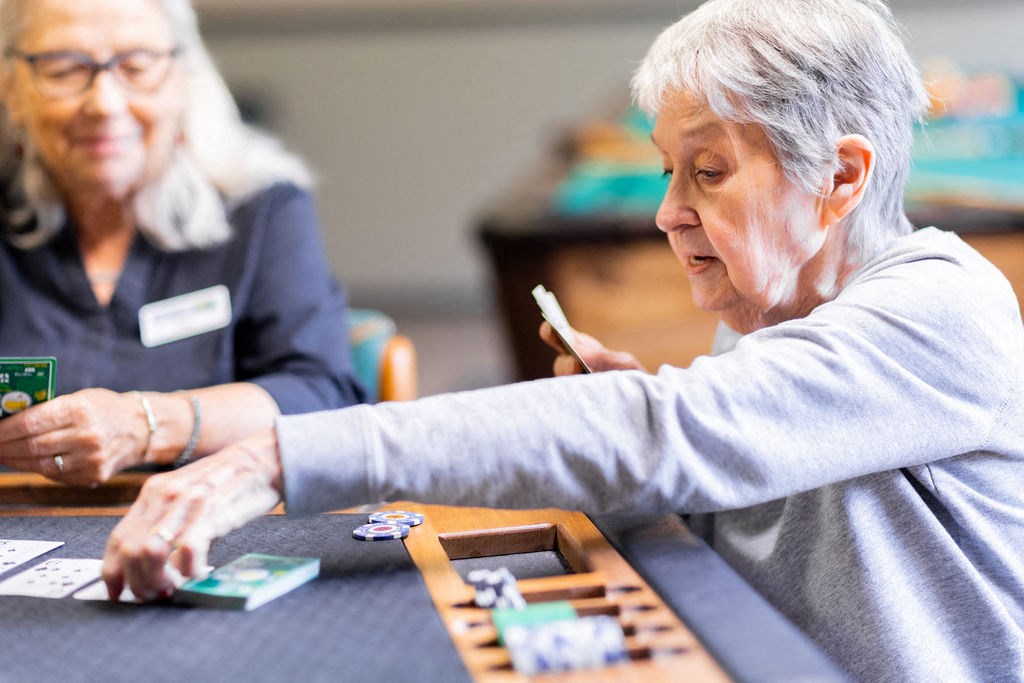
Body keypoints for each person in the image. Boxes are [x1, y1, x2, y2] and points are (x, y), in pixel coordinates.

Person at [103, 0, 1024, 680]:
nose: (668, 212)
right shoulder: (760, 326)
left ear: (842, 174)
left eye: (708, 170)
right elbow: (705, 491)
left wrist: (276, 455)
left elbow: (665, 436)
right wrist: (631, 417)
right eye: (669, 171)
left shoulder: (943, 306)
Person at [0, 0, 364, 486]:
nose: (105, 103)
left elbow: (322, 396)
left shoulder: (262, 208)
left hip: (211, 529)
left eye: (137, 66)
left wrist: (148, 425)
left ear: (184, 78)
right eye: (64, 69)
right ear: (12, 90)